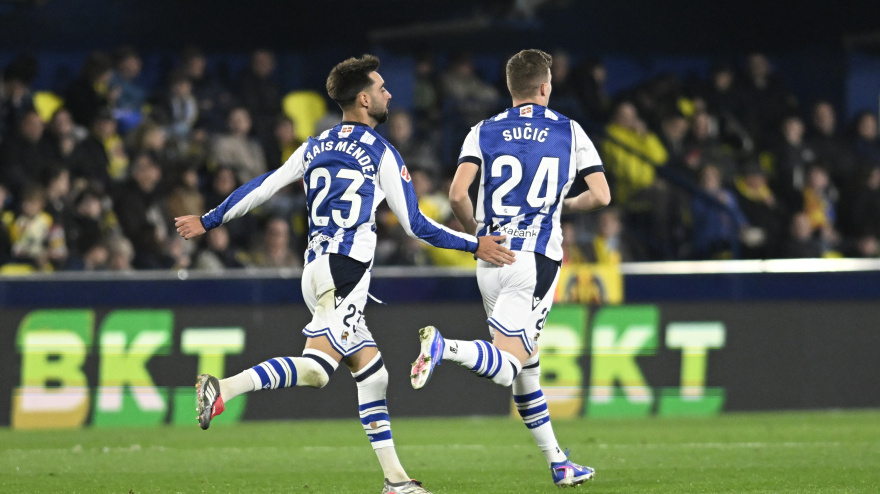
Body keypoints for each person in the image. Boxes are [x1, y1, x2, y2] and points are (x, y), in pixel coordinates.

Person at [173, 54, 515, 494]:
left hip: (315, 267)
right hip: (345, 272)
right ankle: (224, 388)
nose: (390, 93)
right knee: (317, 370)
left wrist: (209, 218)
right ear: (363, 99)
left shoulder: (314, 145)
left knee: (373, 374)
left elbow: (264, 186)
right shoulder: (381, 152)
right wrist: (475, 244)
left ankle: (396, 481)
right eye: (382, 87)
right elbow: (417, 226)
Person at [409, 49, 610, 488]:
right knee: (507, 366)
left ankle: (559, 462)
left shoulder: (483, 130)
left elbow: (458, 193)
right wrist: (563, 206)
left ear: (509, 88)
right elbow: (601, 195)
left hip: (491, 258)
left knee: (528, 367)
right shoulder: (569, 131)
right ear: (545, 87)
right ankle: (445, 347)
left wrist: (478, 239)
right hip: (534, 260)